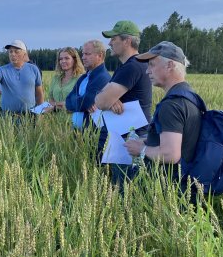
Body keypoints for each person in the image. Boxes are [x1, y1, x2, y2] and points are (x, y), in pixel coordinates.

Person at [124, 41, 201, 193]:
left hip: (167, 189)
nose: (147, 71)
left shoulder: (171, 105)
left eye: (152, 64)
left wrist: (141, 148)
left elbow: (170, 153)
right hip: (183, 183)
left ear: (170, 65)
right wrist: (149, 140)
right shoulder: (189, 96)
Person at [94, 20, 152, 186]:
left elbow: (101, 101)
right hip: (129, 136)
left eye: (114, 38)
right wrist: (109, 98)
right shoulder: (131, 66)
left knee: (125, 190)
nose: (110, 42)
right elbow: (103, 97)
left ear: (127, 41)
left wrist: (108, 99)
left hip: (132, 139)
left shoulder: (132, 67)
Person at [65, 39, 112, 162]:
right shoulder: (84, 77)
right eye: (83, 54)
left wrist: (77, 101)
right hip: (79, 134)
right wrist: (77, 102)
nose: (83, 57)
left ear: (100, 55)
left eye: (87, 54)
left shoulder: (103, 77)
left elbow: (86, 102)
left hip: (93, 135)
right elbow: (68, 100)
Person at [0, 40, 44, 117]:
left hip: (30, 117)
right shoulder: (2, 70)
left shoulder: (33, 69)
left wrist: (40, 114)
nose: (13, 54)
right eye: (10, 52)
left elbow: (39, 94)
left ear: (24, 54)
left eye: (16, 51)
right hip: (8, 117)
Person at [43, 47, 85, 114]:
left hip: (73, 120)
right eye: (61, 59)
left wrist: (56, 105)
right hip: (55, 120)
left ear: (74, 60)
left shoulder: (81, 79)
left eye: (67, 58)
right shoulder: (56, 78)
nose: (63, 61)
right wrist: (60, 105)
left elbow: (79, 103)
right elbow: (50, 100)